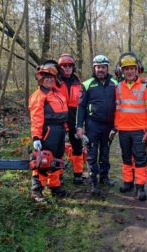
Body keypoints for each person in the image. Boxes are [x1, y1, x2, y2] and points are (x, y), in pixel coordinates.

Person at [112, 52, 147, 201]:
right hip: (123, 130)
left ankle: (140, 187)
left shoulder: (145, 86)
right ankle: (128, 182)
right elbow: (118, 109)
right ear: (121, 71)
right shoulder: (118, 87)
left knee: (140, 158)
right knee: (125, 157)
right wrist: (116, 126)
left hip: (139, 130)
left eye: (132, 68)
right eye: (126, 69)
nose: (129, 71)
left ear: (137, 69)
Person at [76, 55, 118, 195]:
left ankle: (104, 177)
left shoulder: (115, 84)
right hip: (92, 124)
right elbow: (81, 107)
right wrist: (79, 126)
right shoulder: (87, 84)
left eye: (103, 67)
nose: (101, 70)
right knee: (92, 153)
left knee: (105, 152)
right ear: (94, 68)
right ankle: (93, 181)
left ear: (107, 68)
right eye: (98, 67)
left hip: (109, 126)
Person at [29, 61, 69, 202]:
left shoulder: (57, 94)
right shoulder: (38, 96)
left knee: (57, 159)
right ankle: (37, 190)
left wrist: (66, 129)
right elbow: (36, 118)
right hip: (47, 131)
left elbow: (63, 114)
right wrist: (36, 137)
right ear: (41, 79)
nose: (49, 79)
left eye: (51, 77)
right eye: (46, 77)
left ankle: (54, 185)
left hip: (59, 131)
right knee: (43, 161)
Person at [57, 54, 85, 185]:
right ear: (60, 67)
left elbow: (83, 103)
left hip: (74, 118)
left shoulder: (79, 83)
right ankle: (58, 175)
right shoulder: (55, 82)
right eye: (64, 66)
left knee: (77, 146)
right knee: (57, 147)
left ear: (73, 67)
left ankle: (78, 174)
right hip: (58, 118)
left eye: (69, 66)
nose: (67, 68)